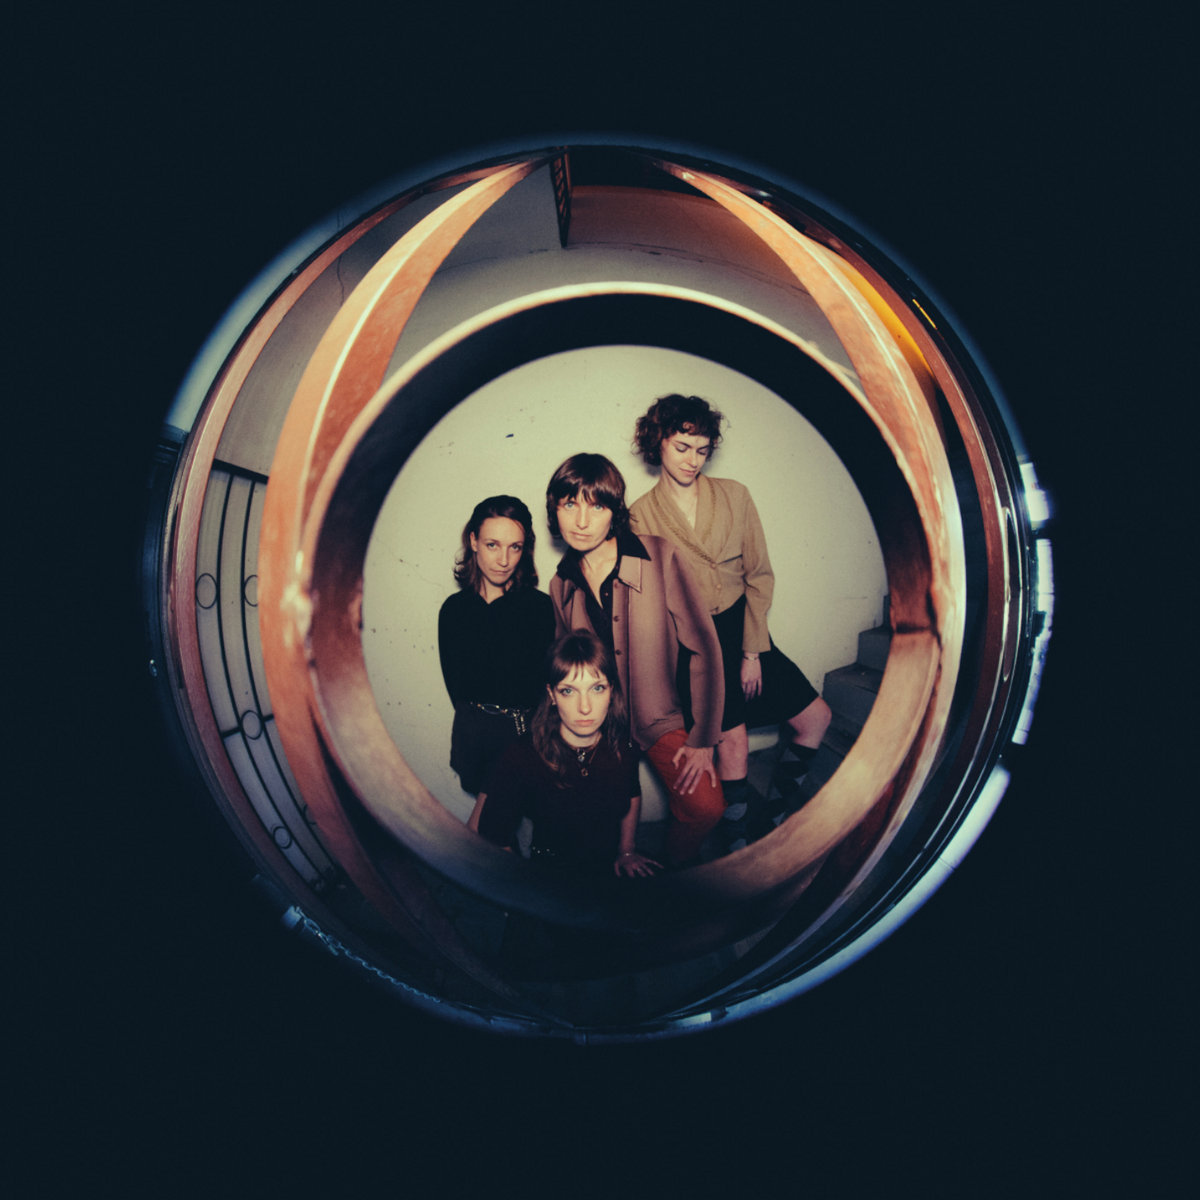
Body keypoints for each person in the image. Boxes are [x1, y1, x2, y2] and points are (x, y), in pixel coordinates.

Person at [629, 394, 833, 846]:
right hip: (695, 643)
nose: (692, 460)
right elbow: (651, 604)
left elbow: (759, 575)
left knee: (816, 718)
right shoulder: (640, 515)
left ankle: (775, 820)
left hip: (745, 629)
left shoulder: (735, 495)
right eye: (682, 447)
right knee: (734, 744)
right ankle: (735, 848)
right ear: (658, 442)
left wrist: (753, 651)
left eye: (702, 450)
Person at [546, 453, 726, 866]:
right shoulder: (561, 585)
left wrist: (703, 738)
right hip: (599, 722)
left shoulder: (659, 556)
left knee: (705, 807)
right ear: (555, 510)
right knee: (585, 821)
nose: (581, 520)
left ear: (614, 511)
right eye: (570, 504)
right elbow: (566, 667)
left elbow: (704, 646)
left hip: (660, 717)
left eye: (596, 506)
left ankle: (671, 876)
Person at [477, 631, 660, 877]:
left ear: (611, 690)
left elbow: (632, 794)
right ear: (552, 695)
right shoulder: (522, 756)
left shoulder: (622, 743)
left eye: (597, 688)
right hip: (551, 872)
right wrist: (528, 886)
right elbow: (493, 838)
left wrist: (626, 851)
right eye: (568, 691)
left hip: (608, 866)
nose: (585, 707)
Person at [437, 495, 555, 832]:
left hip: (523, 733)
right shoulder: (454, 610)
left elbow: (543, 688)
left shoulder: (539, 608)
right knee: (498, 830)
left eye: (515, 547)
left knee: (487, 828)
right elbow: (457, 687)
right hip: (472, 734)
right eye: (493, 545)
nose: (504, 560)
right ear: (473, 541)